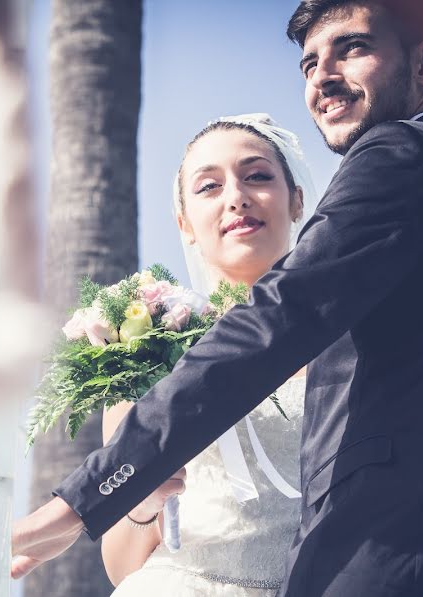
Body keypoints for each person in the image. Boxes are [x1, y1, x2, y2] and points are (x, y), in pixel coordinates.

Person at [10, 2, 423, 596]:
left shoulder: (401, 157)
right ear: (184, 220)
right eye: (308, 63)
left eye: (351, 48)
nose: (321, 76)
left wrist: (76, 503)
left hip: (390, 566)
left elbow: (273, 321)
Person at [101, 114, 317, 594]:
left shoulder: (350, 341)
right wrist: (143, 504)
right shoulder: (146, 348)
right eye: (208, 187)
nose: (236, 197)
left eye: (257, 176)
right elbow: (121, 566)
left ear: (297, 200)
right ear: (184, 222)